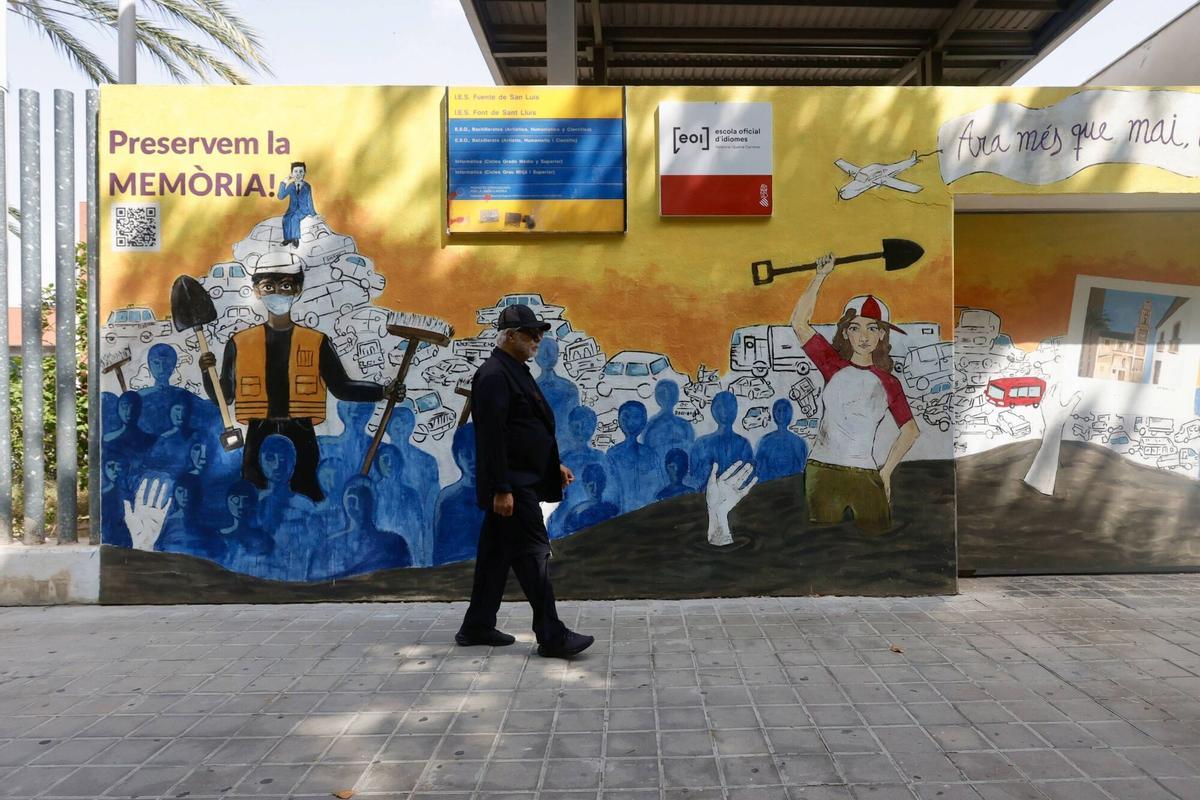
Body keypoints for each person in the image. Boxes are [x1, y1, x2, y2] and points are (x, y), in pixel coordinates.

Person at [199, 252, 401, 502]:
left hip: (301, 432)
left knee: (306, 491)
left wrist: (382, 392)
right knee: (254, 494)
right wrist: (206, 371)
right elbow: (225, 396)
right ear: (257, 291)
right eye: (268, 286)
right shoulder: (239, 343)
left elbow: (341, 387)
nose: (277, 293)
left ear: (298, 289)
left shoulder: (316, 342)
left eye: (285, 286)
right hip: (259, 432)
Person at [456, 303, 594, 659]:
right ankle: (552, 635)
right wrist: (501, 488)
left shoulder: (513, 369)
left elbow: (524, 430)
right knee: (534, 555)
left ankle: (477, 625)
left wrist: (552, 465)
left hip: (520, 480)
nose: (537, 340)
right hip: (513, 487)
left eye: (539, 334)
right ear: (510, 336)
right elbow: (493, 439)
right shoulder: (494, 376)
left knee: (495, 555)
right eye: (531, 334)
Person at [790, 254, 920, 532]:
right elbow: (799, 323)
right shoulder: (831, 364)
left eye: (872, 328)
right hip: (822, 470)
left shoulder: (889, 382)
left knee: (877, 541)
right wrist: (820, 276)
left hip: (865, 472)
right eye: (855, 327)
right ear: (846, 333)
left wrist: (886, 472)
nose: (864, 336)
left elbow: (910, 431)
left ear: (882, 334)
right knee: (824, 542)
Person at [277, 161, 316, 248]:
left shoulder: (307, 186)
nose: (298, 174)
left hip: (303, 210)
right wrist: (285, 181)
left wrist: (314, 214)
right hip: (292, 209)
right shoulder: (291, 186)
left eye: (301, 171)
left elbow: (310, 200)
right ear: (292, 173)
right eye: (296, 171)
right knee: (286, 219)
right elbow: (280, 196)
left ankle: (295, 239)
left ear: (304, 173)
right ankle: (287, 239)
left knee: (294, 218)